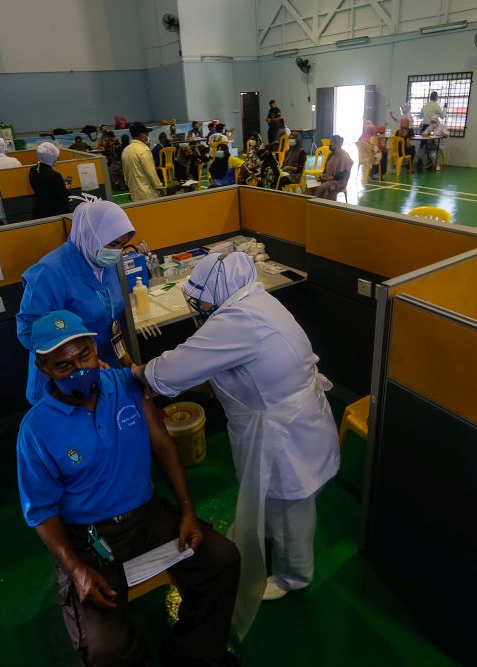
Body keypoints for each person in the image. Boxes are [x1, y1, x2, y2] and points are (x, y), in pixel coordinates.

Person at [18, 310, 241, 667]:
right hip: (90, 540)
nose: (79, 370)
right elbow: (41, 512)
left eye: (84, 356)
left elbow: (163, 446)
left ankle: (193, 652)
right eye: (63, 365)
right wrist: (75, 569)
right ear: (44, 369)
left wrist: (187, 511)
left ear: (95, 349)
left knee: (221, 559)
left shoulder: (125, 386)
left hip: (148, 518)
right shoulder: (36, 430)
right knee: (105, 650)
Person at [134, 252, 340, 636]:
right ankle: (270, 536)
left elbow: (173, 368)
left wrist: (139, 373)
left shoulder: (237, 321)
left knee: (292, 507)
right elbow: (229, 370)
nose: (201, 311)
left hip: (286, 434)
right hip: (289, 422)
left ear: (217, 293)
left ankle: (295, 574)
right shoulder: (254, 300)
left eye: (202, 303)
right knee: (273, 497)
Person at [17, 197, 135, 403]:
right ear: (91, 236)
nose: (116, 252)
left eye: (122, 245)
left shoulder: (104, 264)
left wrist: (128, 364)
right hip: (65, 376)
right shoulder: (49, 272)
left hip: (104, 366)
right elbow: (29, 332)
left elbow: (112, 322)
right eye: (112, 244)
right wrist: (83, 362)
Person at [122, 122, 163, 202]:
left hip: (134, 194)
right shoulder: (144, 150)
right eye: (146, 133)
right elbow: (151, 173)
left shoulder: (125, 150)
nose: (148, 135)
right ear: (141, 135)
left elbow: (125, 175)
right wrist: (159, 187)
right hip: (148, 194)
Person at [28, 142, 70, 219]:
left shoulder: (33, 170)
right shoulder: (55, 175)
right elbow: (63, 197)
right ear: (51, 158)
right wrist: (67, 189)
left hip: (38, 210)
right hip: (54, 213)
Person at [312, 135, 353, 201]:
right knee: (310, 185)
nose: (330, 145)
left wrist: (331, 178)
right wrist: (322, 176)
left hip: (339, 181)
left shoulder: (345, 156)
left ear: (338, 144)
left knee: (321, 188)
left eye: (331, 143)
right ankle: (307, 204)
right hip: (327, 179)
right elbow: (325, 168)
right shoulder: (330, 154)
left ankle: (319, 204)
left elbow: (345, 173)